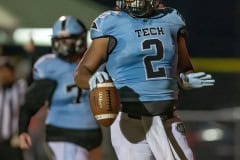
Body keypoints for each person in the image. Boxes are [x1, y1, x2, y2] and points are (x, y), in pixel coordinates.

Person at [74, 0, 215, 160]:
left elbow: (185, 67)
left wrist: (186, 80)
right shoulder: (111, 23)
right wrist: (93, 81)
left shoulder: (171, 19)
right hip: (129, 119)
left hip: (166, 117)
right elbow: (82, 73)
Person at [18, 16, 103, 160]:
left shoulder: (98, 62)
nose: (63, 45)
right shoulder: (48, 66)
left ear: (81, 38)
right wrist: (23, 130)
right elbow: (31, 102)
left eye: (68, 40)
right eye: (59, 41)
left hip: (92, 131)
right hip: (62, 131)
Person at [0, 56, 27, 160]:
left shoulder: (19, 87)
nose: (3, 75)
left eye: (6, 71)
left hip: (13, 141)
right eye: (1, 71)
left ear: (12, 73)